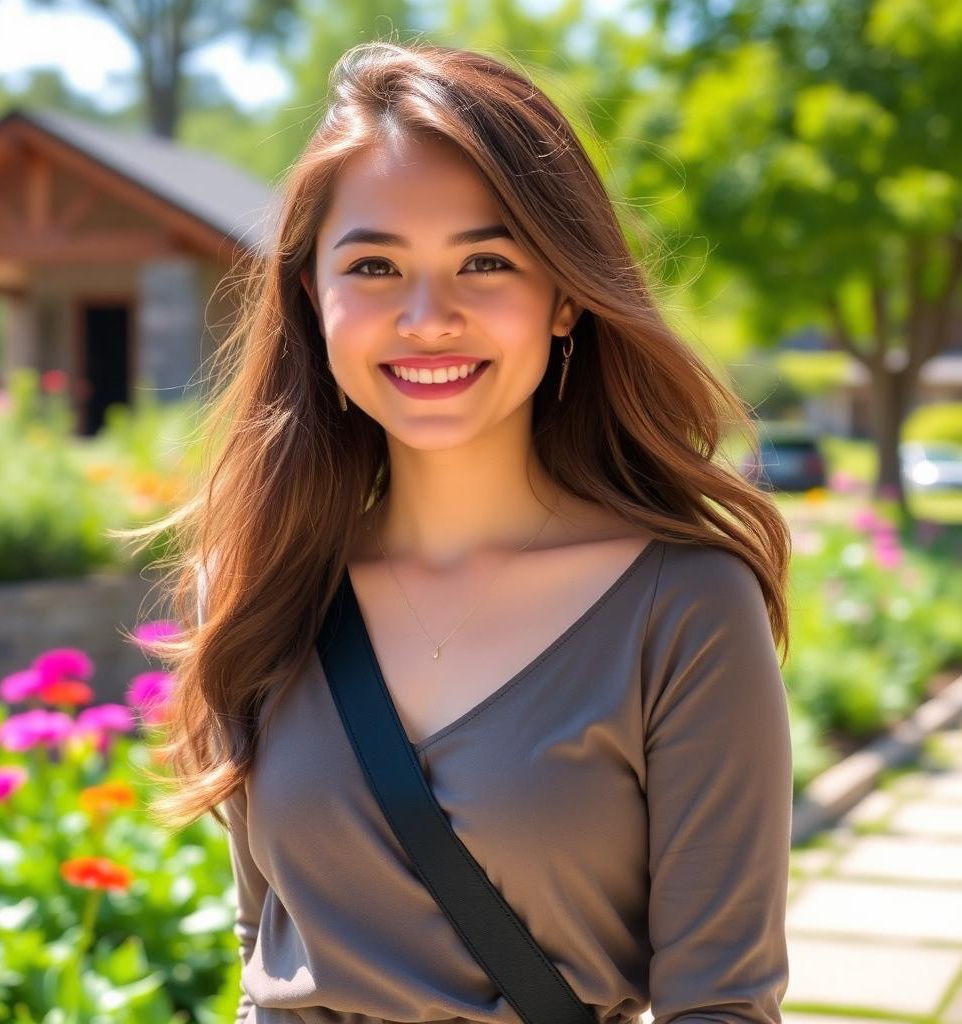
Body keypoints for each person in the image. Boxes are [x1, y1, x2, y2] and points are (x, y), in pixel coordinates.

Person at [131, 38, 795, 1024]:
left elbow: (721, 1006)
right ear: (314, 297)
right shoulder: (256, 584)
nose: (428, 316)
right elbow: (266, 952)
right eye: (375, 265)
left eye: (485, 260)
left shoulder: (682, 606)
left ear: (564, 294)